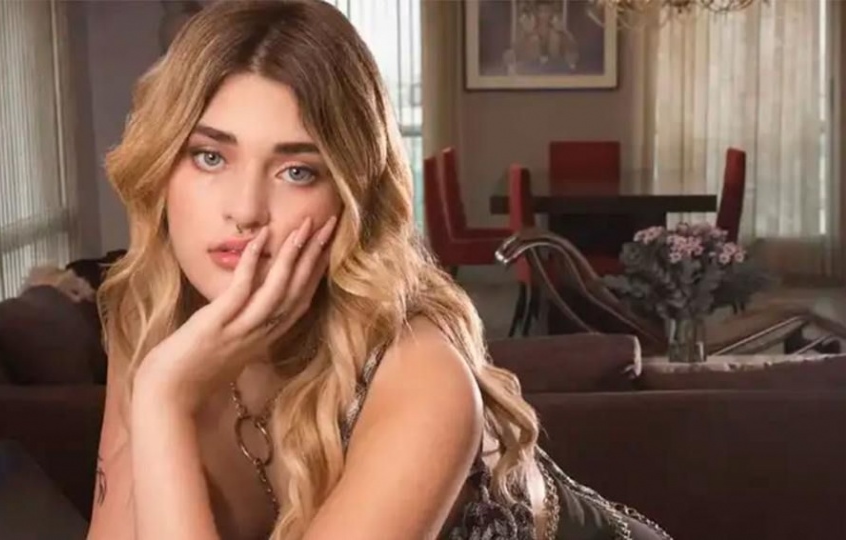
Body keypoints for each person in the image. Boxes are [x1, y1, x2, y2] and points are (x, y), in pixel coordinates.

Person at [86, 1, 672, 539]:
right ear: (162, 166)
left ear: (352, 196)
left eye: (297, 171)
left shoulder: (419, 373)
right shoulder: (151, 320)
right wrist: (162, 390)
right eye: (210, 156)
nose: (245, 210)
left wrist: (162, 402)